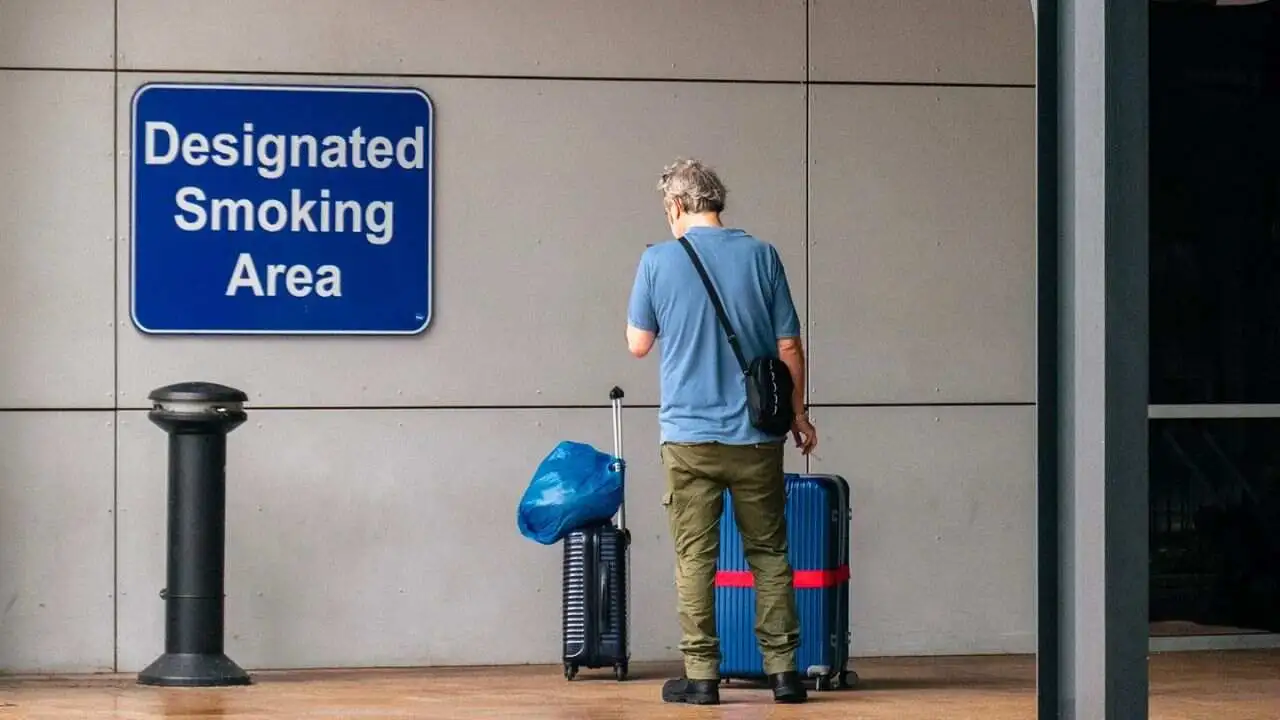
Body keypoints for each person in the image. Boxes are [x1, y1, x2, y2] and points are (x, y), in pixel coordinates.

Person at [625, 158, 817, 705]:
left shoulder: (657, 261)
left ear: (677, 206)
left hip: (688, 440)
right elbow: (789, 347)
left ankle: (703, 677)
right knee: (770, 554)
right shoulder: (762, 256)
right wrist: (799, 414)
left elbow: (638, 344)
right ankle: (784, 674)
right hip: (757, 437)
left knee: (695, 558)